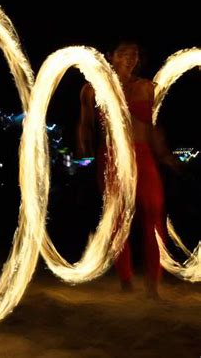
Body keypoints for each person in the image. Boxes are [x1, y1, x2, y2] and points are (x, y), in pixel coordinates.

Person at [78, 41, 179, 299]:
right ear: (110, 56)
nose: (131, 58)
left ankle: (153, 285)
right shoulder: (92, 89)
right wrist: (82, 145)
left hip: (143, 155)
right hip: (110, 156)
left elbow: (152, 127)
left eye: (135, 54)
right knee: (118, 219)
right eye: (124, 53)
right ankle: (126, 280)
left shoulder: (147, 88)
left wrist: (165, 154)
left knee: (154, 213)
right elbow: (86, 125)